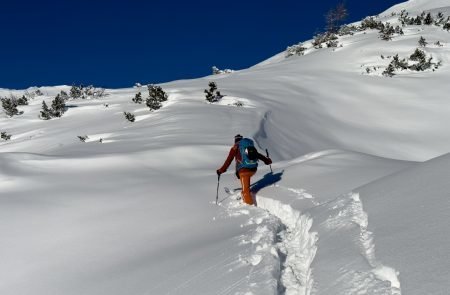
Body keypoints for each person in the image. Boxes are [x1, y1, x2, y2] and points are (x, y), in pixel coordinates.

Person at [216, 134, 272, 205]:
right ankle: (244, 192)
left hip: (243, 171)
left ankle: (250, 207)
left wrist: (221, 170)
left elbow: (228, 161)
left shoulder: (234, 148)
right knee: (246, 182)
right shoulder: (248, 145)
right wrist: (267, 161)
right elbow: (258, 155)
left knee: (246, 191)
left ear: (235, 140)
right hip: (253, 169)